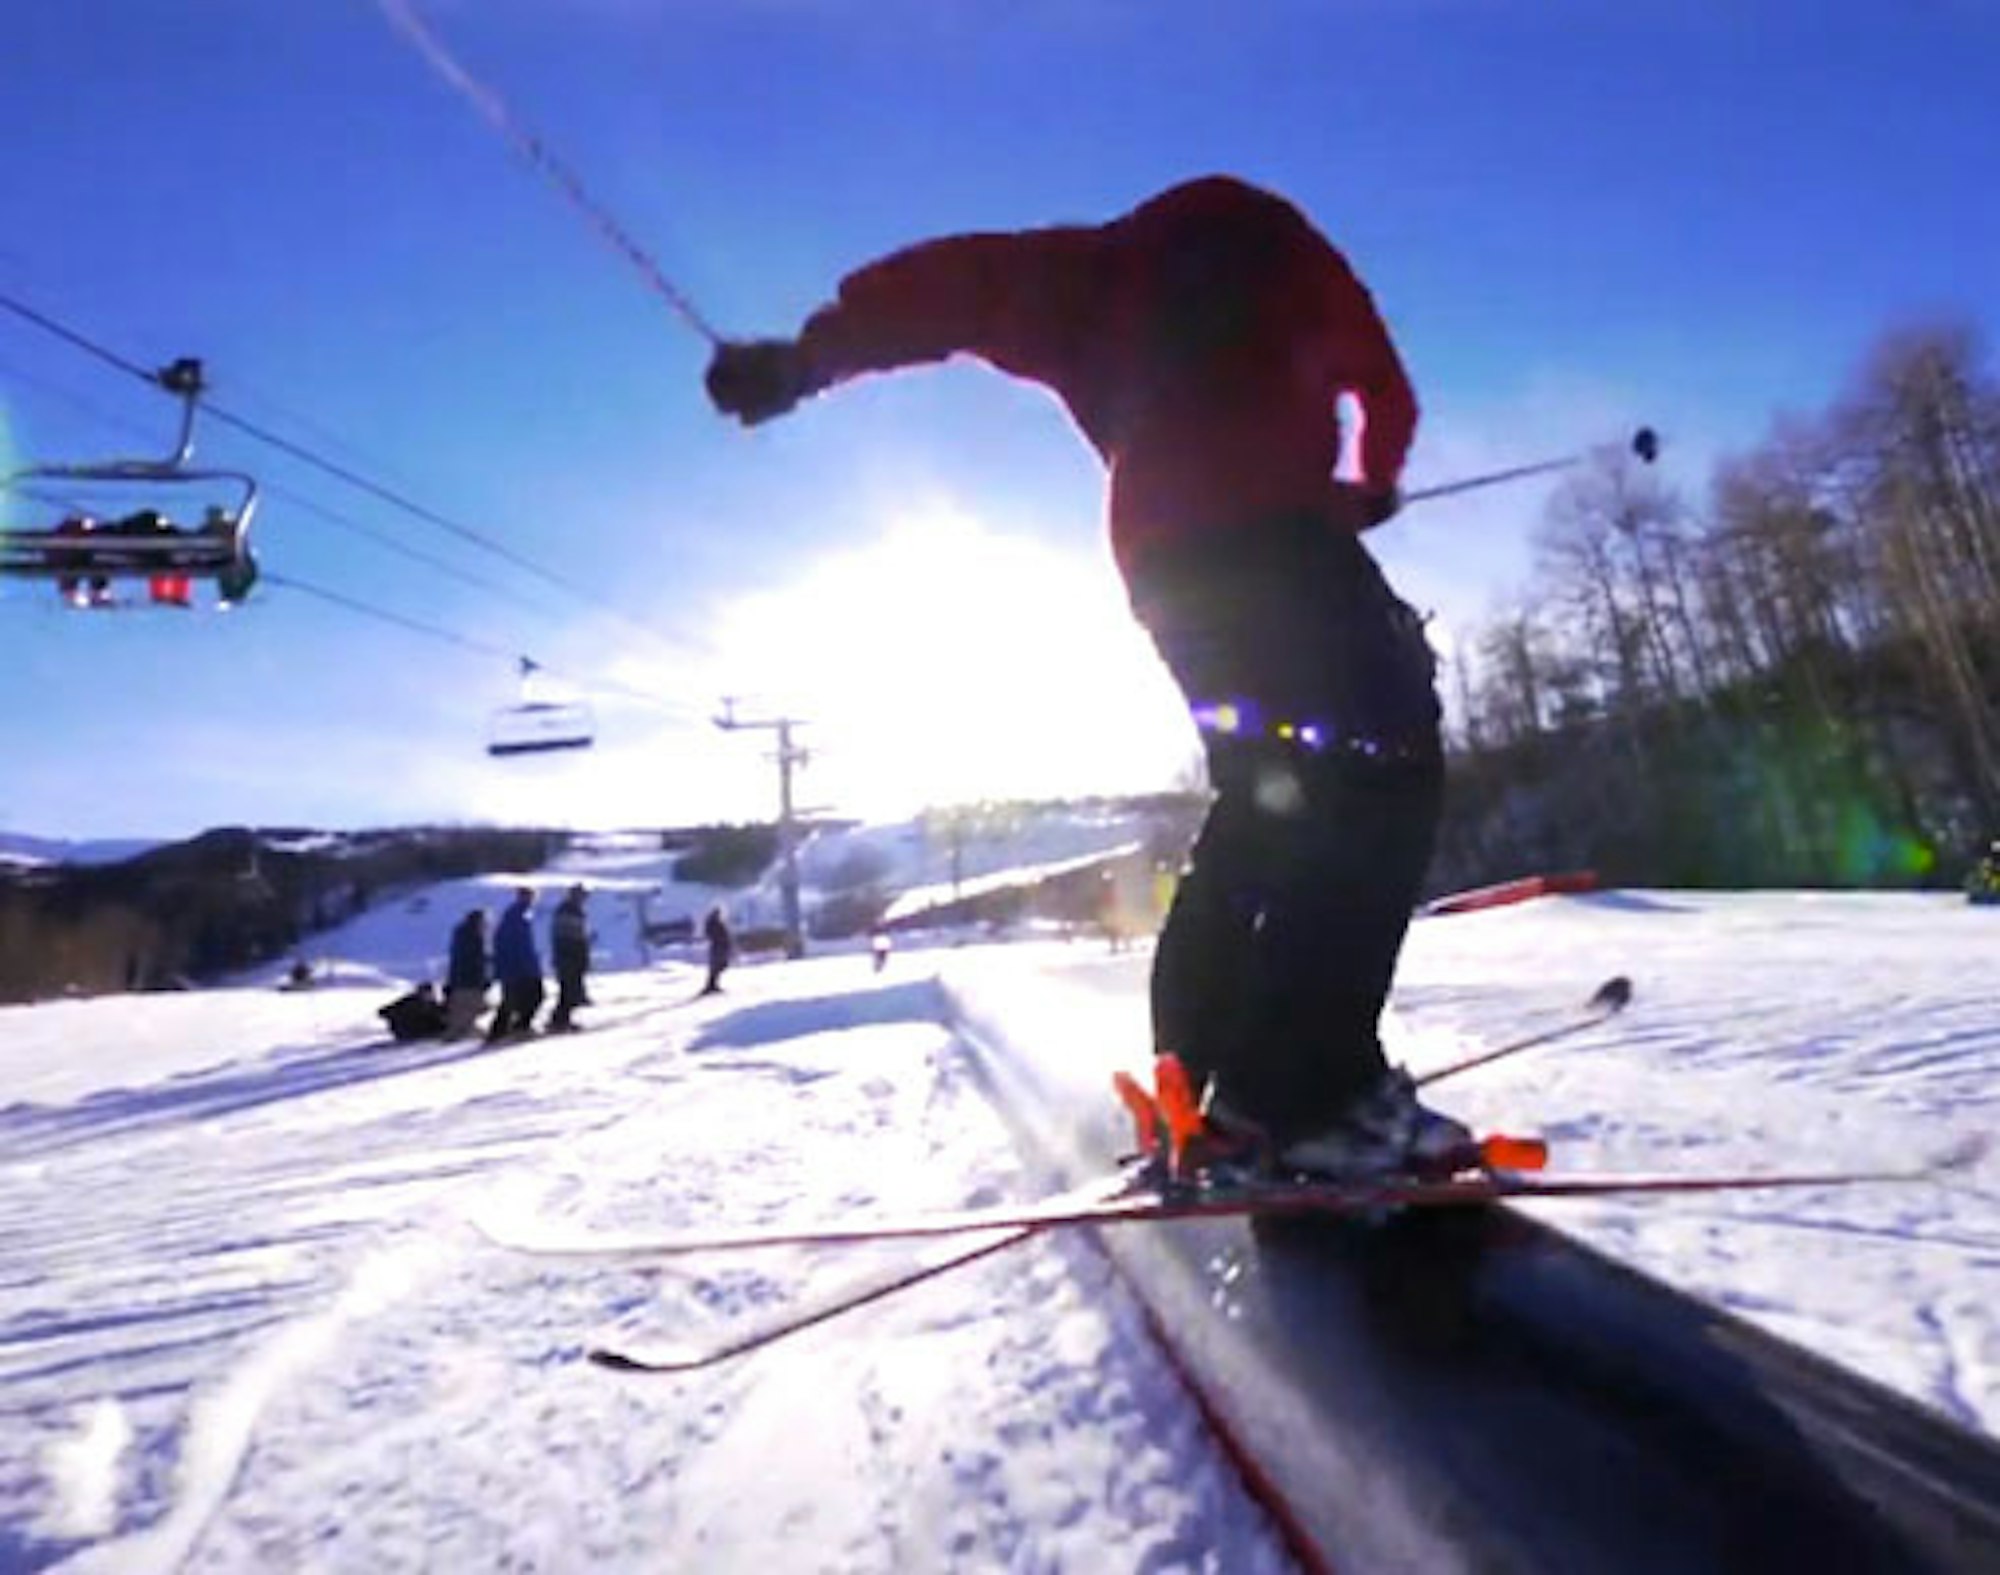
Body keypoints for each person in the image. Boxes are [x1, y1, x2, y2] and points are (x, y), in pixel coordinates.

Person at [705, 175, 1467, 1178]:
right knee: (1380, 764)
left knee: (1262, 798)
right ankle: (1305, 1093)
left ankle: (1195, 1080)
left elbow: (951, 288)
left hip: (1165, 561)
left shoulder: (1097, 269)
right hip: (1279, 541)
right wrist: (1364, 485)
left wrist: (807, 360)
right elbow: (1381, 389)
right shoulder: (1290, 253)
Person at [487, 887, 545, 1041]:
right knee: (534, 996)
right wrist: (531, 966)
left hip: (512, 967)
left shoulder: (514, 916)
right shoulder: (518, 917)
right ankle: (519, 1027)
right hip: (520, 968)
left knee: (512, 1001)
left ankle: (500, 1032)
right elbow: (521, 946)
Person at [548, 884, 593, 1031]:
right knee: (569, 990)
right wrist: (580, 955)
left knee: (569, 990)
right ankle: (559, 1021)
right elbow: (571, 938)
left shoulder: (572, 910)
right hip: (568, 957)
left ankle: (561, 1019)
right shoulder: (569, 911)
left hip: (570, 957)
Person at [443, 908, 490, 1039]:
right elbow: (476, 960)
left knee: (461, 1010)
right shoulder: (474, 937)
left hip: (458, 980)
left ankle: (458, 1031)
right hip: (470, 981)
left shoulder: (460, 934)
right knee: (470, 1007)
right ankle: (460, 1033)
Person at [379, 981, 447, 1042]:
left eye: (430, 993)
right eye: (425, 993)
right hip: (410, 1033)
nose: (428, 995)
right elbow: (384, 1011)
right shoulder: (409, 1002)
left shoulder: (432, 1004)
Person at [700, 906, 733, 996]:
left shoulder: (716, 923)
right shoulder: (714, 923)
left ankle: (713, 985)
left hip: (720, 947)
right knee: (717, 966)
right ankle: (711, 986)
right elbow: (713, 935)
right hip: (718, 947)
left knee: (720, 966)